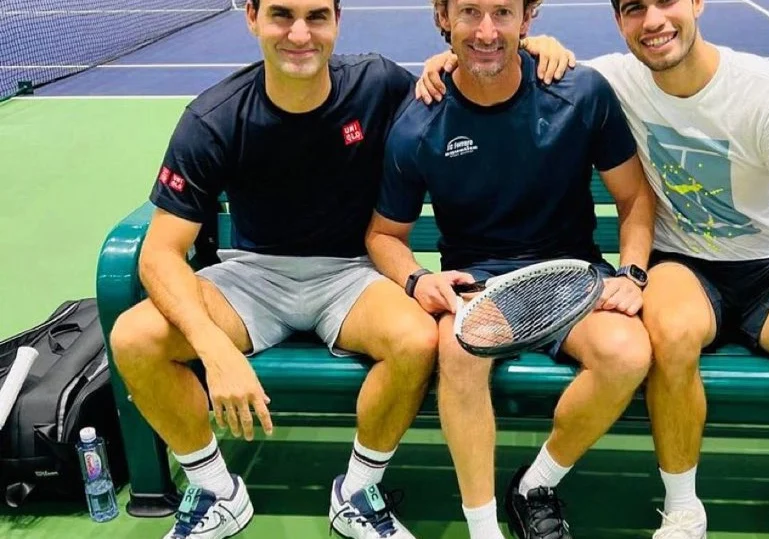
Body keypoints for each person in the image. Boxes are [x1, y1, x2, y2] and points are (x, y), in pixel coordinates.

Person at [103, 0, 575, 537]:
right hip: (252, 276)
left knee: (417, 339)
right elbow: (159, 252)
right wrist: (213, 351)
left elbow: (469, 71)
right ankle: (215, 490)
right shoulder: (214, 117)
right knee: (134, 337)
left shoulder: (374, 84)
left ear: (336, 23)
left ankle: (356, 493)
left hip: (351, 273)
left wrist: (536, 48)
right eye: (282, 16)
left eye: (316, 17)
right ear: (252, 17)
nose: (299, 34)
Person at [416, 1, 769, 537]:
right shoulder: (615, 78)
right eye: (635, 8)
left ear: (697, 4)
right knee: (672, 332)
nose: (653, 21)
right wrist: (463, 58)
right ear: (619, 21)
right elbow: (513, 58)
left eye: (667, 2)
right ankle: (683, 508)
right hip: (682, 266)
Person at [365, 1, 657, 538]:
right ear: (442, 18)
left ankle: (534, 485)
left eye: (502, 12)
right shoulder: (418, 122)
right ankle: (483, 529)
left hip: (575, 276)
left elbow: (635, 197)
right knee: (457, 352)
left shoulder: (579, 92)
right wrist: (416, 278)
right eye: (469, 12)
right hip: (483, 285)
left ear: (528, 19)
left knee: (628, 352)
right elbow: (384, 235)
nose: (485, 30)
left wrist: (633, 273)